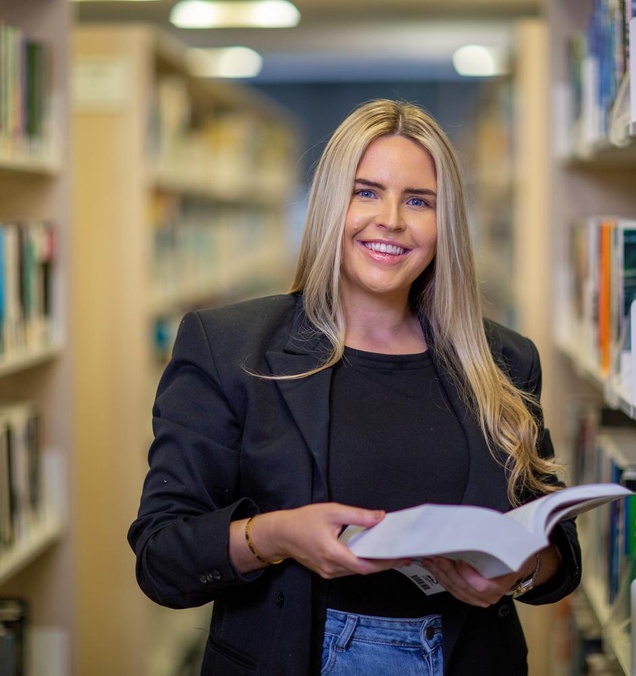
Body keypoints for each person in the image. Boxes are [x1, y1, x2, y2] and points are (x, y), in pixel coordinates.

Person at [128, 99, 581, 676]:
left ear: (446, 224)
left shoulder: (503, 360)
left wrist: (519, 568)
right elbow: (162, 558)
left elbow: (557, 555)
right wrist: (275, 536)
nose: (390, 219)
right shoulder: (227, 347)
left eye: (418, 201)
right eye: (365, 192)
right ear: (327, 205)